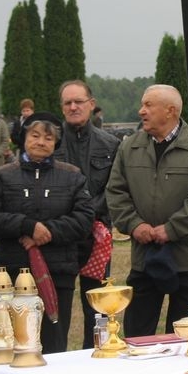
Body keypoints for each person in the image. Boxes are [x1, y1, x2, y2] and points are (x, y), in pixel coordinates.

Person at [0, 112, 93, 354]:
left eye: (48, 138)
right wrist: (27, 226)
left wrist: (48, 231)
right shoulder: (2, 176)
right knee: (15, 346)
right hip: (13, 273)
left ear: (56, 143)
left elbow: (84, 220)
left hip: (58, 273)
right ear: (24, 138)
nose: (41, 142)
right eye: (35, 136)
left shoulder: (72, 176)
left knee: (54, 347)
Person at [107, 84, 188, 336]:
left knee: (186, 338)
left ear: (170, 111)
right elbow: (115, 192)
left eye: (148, 105)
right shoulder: (129, 147)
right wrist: (135, 225)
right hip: (145, 258)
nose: (141, 111)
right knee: (136, 335)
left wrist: (171, 229)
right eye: (142, 105)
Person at [53, 81, 120, 349]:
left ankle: (96, 355)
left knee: (98, 307)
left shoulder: (111, 144)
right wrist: (73, 220)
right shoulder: (52, 142)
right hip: (61, 238)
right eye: (67, 103)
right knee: (57, 310)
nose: (73, 107)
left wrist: (85, 215)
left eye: (78, 102)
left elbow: (114, 189)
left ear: (91, 104)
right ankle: (56, 359)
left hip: (97, 237)